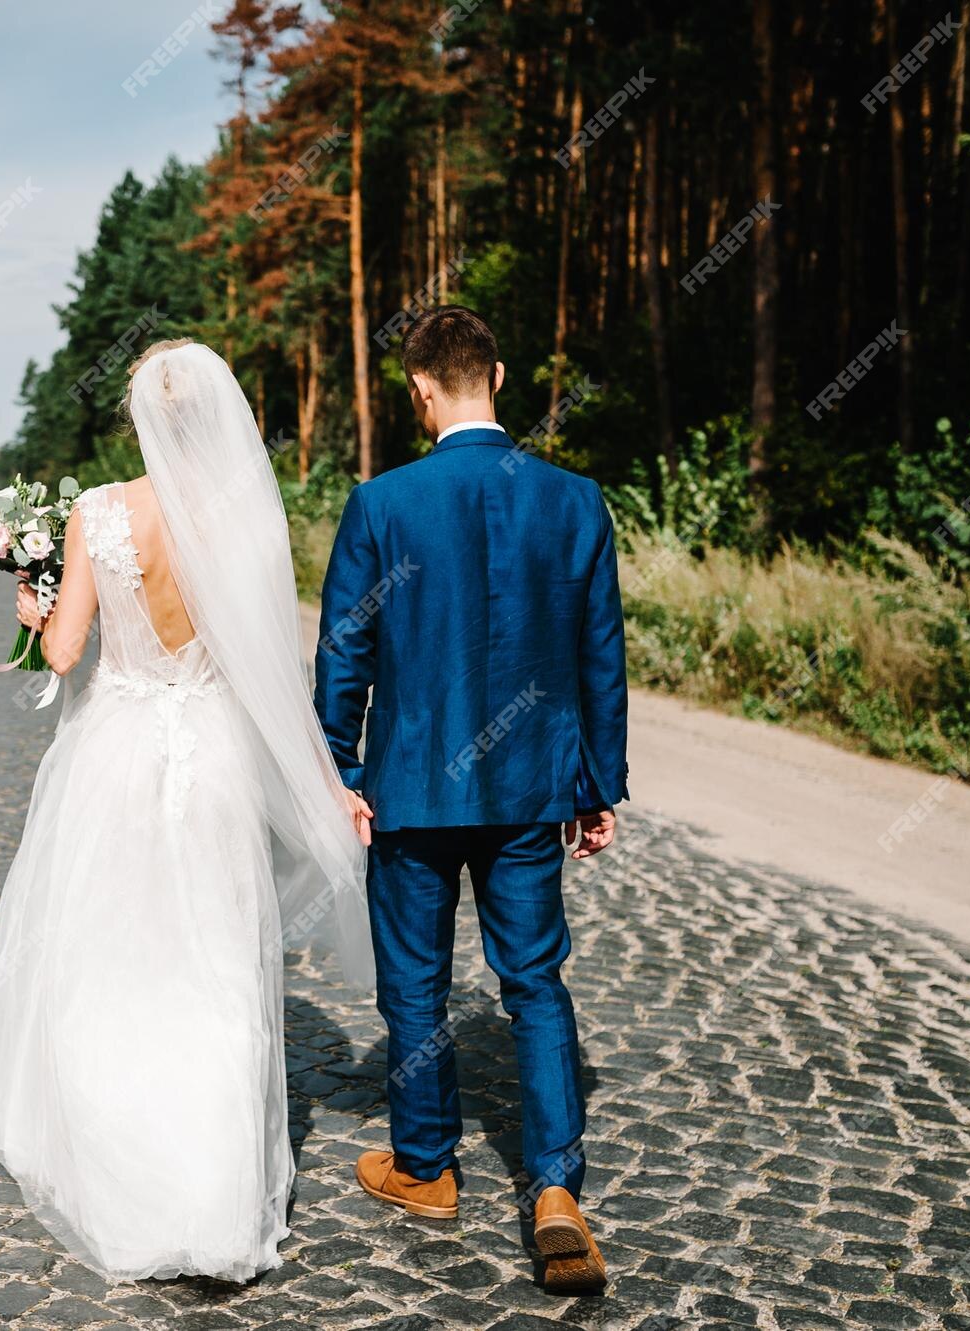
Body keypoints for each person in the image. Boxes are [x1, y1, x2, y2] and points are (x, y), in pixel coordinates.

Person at [0, 338, 373, 1281]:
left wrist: (33, 604)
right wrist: (328, 783)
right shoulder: (248, 528)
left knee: (116, 959)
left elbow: (63, 655)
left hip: (119, 753)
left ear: (141, 419)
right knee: (218, 964)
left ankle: (125, 1180)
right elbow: (273, 678)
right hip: (215, 755)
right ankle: (215, 1198)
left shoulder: (99, 513)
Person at [313, 304, 628, 1293]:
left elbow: (344, 651)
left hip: (409, 789)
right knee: (533, 980)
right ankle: (553, 1191)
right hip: (531, 784)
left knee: (412, 982)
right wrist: (597, 781)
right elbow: (598, 656)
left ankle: (425, 1167)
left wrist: (336, 772)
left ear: (417, 389)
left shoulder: (381, 503)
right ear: (498, 372)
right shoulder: (574, 500)